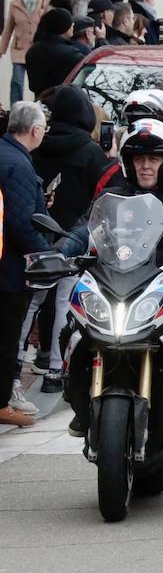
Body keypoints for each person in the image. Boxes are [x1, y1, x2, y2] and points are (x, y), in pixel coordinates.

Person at [59, 119, 163, 439]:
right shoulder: (111, 196)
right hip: (114, 281)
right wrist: (57, 251)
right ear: (128, 162)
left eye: (154, 159)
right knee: (72, 327)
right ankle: (78, 399)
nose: (146, 165)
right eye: (139, 158)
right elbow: (83, 231)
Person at [28, 86, 111, 392]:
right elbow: (104, 196)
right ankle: (55, 371)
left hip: (36, 234)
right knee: (65, 301)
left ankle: (13, 372)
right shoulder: (90, 152)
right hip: (72, 236)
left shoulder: (38, 144)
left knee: (31, 301)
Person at [0, 103, 51, 425]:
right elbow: (21, 223)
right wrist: (47, 254)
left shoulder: (6, 153)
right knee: (7, 336)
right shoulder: (18, 163)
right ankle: (2, 401)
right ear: (35, 131)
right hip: (9, 268)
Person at [0, 0, 49, 104]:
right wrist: (1, 49)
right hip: (19, 49)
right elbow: (8, 28)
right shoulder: (15, 4)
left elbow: (51, 25)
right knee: (17, 82)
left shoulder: (45, 2)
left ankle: (39, 108)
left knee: (39, 83)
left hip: (38, 49)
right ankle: (16, 109)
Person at [23, 9, 86, 98]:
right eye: (70, 22)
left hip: (39, 102)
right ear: (63, 26)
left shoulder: (32, 50)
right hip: (64, 104)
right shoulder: (72, 54)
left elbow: (33, 86)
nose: (73, 24)